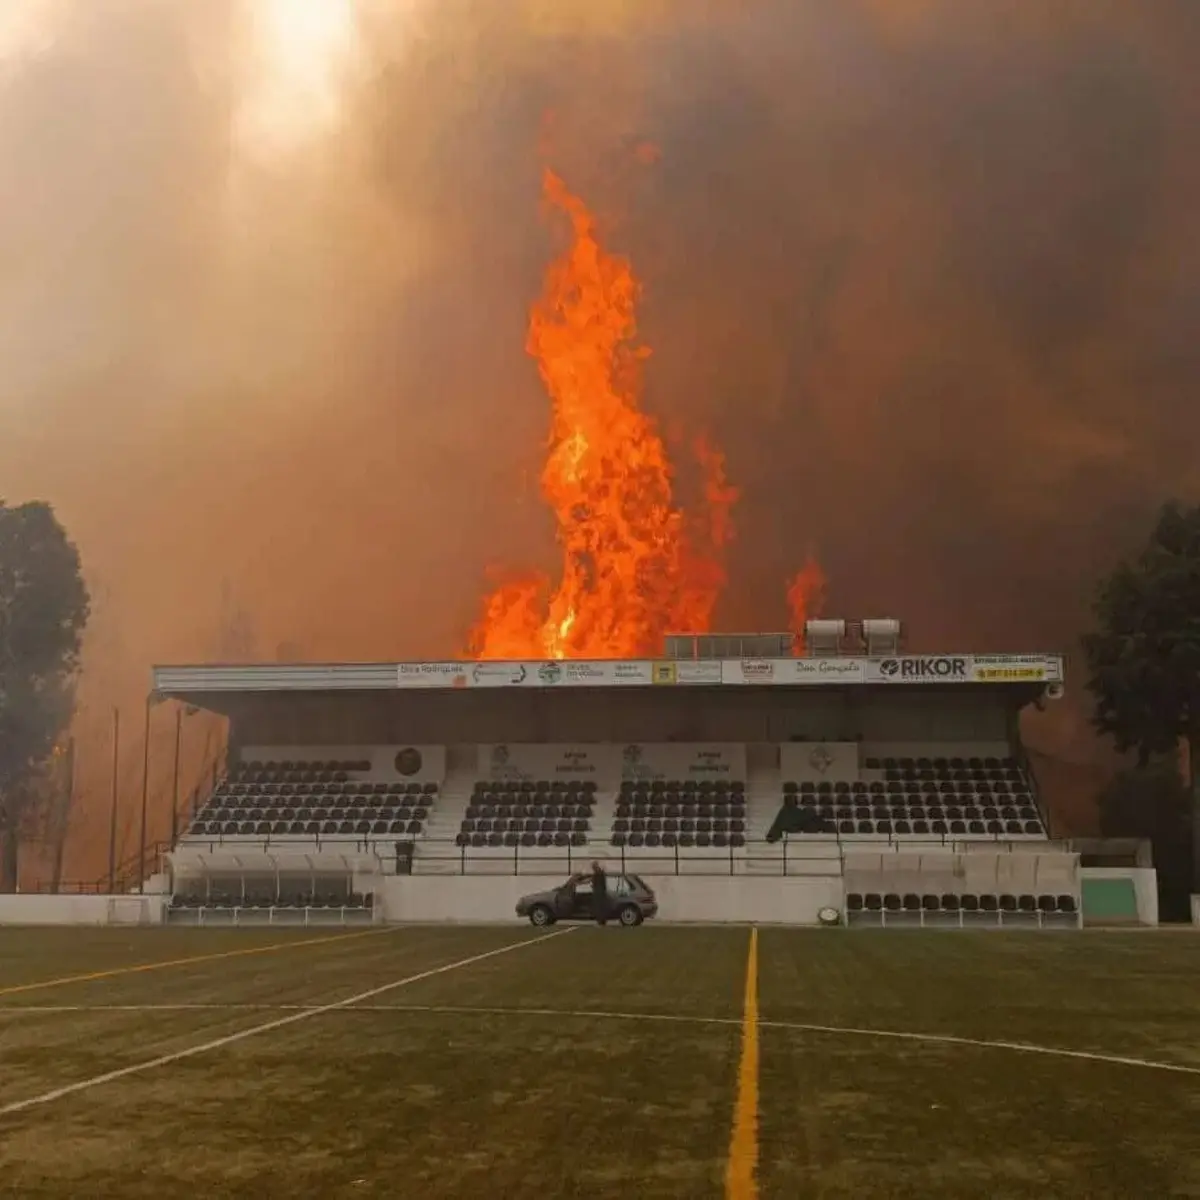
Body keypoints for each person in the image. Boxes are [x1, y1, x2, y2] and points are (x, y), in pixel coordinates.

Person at [591, 859, 608, 927]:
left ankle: (600, 922)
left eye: (593, 867)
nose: (593, 868)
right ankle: (602, 921)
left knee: (599, 907)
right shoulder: (601, 872)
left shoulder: (597, 873)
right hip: (601, 891)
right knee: (601, 907)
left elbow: (596, 883)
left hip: (598, 892)